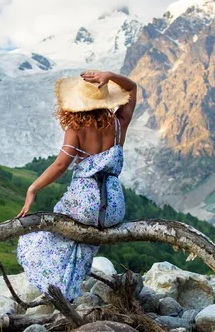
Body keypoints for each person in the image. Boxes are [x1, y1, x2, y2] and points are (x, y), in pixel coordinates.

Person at [16, 69, 137, 301]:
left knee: (44, 237)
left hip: (85, 202)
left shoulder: (77, 128)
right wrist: (110, 76)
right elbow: (132, 88)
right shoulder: (120, 123)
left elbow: (61, 165)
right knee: (78, 241)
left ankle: (59, 289)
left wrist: (32, 189)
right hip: (113, 207)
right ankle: (70, 289)